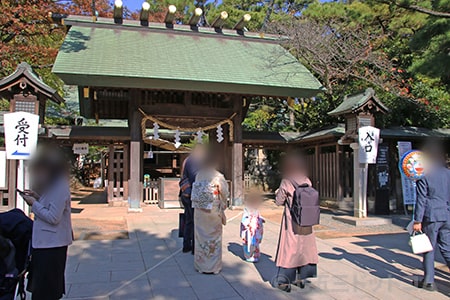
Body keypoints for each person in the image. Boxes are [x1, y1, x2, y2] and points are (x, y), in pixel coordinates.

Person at [21, 145, 72, 300]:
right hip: (45, 243)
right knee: (42, 287)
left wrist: (33, 204)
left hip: (52, 245)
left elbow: (53, 217)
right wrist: (37, 197)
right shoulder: (52, 185)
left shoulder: (60, 186)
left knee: (47, 288)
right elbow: (51, 206)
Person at [273, 152, 318, 292]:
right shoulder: (307, 180)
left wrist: (277, 192)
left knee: (289, 250)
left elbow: (278, 202)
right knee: (304, 250)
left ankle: (284, 281)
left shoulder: (286, 181)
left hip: (292, 222)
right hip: (306, 222)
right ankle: (300, 279)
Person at [413, 142, 450, 292]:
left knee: (429, 248)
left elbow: (421, 199)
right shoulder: (448, 173)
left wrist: (417, 220)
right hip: (446, 214)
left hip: (431, 215)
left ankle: (429, 281)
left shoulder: (425, 175)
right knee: (447, 248)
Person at [191, 149, 228, 274]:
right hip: (213, 209)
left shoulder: (199, 174)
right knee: (214, 237)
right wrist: (223, 204)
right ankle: (213, 267)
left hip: (200, 210)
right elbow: (224, 193)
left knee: (200, 236)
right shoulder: (218, 176)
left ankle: (201, 266)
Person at [179, 145, 205, 254]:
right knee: (195, 220)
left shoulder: (188, 160)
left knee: (189, 220)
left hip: (187, 194)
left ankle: (187, 245)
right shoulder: (193, 161)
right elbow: (195, 177)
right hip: (190, 195)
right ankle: (194, 247)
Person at [240, 191, 264, 263]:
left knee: (255, 243)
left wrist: (261, 219)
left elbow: (258, 216)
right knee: (248, 243)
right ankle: (249, 256)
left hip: (256, 228)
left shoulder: (256, 210)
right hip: (249, 229)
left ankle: (255, 255)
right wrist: (246, 224)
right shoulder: (247, 209)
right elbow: (244, 218)